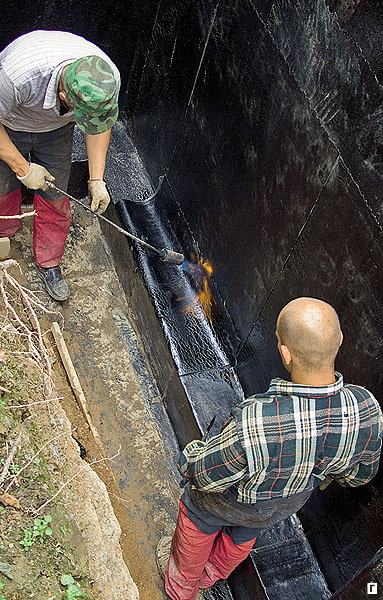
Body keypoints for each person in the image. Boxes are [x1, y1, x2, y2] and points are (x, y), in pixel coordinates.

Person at [156, 297, 383, 600]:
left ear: (285, 354)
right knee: (245, 533)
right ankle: (211, 575)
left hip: (227, 502)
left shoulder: (256, 423)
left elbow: (204, 475)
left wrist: (191, 456)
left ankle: (182, 587)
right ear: (339, 340)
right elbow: (359, 476)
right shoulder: (367, 408)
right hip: (283, 505)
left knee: (197, 515)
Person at [0, 30, 121, 301]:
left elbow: (100, 125)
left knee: (55, 195)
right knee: (2, 187)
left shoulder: (107, 79)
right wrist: (23, 168)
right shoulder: (16, 75)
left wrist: (96, 179)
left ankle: (49, 261)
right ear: (65, 96)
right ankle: (2, 235)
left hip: (56, 128)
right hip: (9, 122)